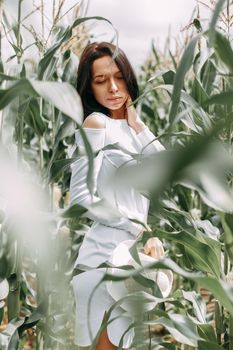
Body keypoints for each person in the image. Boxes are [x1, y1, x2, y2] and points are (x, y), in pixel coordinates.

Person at [70, 42, 171, 350]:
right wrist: (130, 222)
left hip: (128, 260)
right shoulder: (96, 123)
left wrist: (138, 125)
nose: (113, 88)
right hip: (104, 261)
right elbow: (79, 197)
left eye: (119, 77)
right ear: (89, 89)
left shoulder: (130, 128)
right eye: (101, 80)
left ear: (129, 77)